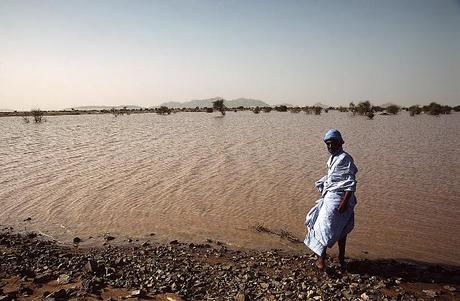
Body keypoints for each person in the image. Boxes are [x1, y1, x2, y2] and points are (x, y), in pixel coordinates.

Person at [304, 129, 358, 270]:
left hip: (340, 199)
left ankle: (323, 260)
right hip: (332, 196)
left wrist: (344, 202)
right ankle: (337, 259)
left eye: (333, 143)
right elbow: (336, 179)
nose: (330, 146)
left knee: (323, 226)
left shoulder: (345, 158)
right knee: (333, 227)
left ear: (341, 143)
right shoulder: (333, 158)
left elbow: (350, 182)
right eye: (327, 144)